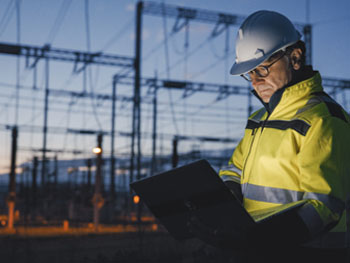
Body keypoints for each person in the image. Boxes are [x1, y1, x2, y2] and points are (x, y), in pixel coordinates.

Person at [189, 10, 350, 263]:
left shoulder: (323, 120)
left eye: (262, 69)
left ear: (295, 58)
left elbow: (324, 206)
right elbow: (234, 170)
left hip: (310, 253)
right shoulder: (258, 120)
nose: (255, 81)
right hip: (260, 249)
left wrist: (256, 239)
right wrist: (226, 199)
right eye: (249, 73)